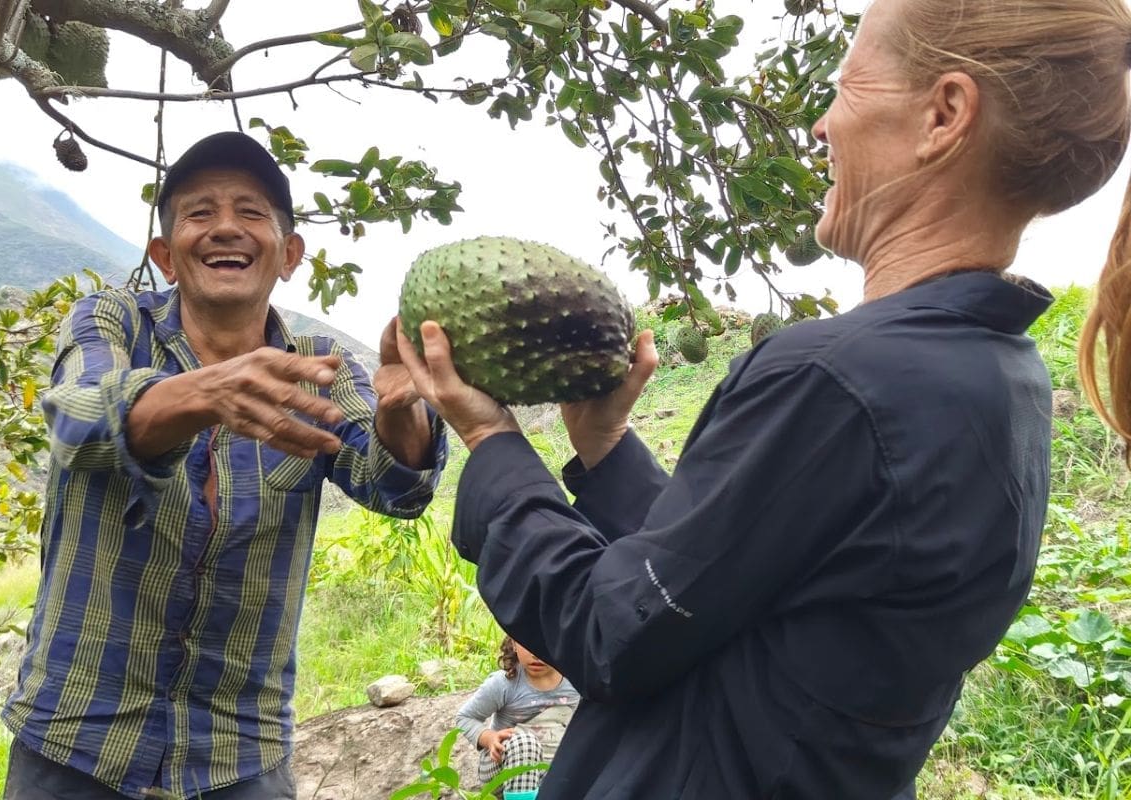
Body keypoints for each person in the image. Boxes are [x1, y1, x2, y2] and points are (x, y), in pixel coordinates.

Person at [398, 0, 1131, 796]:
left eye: (848, 88)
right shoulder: (996, 374)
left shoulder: (837, 378)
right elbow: (728, 584)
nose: (822, 125)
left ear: (944, 114)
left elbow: (612, 633)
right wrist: (605, 448)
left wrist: (492, 443)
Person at [1, 131, 448, 799]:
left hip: (239, 756)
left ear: (290, 254)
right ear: (166, 255)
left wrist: (400, 411)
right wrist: (206, 393)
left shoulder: (322, 363)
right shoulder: (112, 321)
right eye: (200, 213)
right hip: (75, 742)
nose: (225, 229)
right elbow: (81, 416)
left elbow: (395, 485)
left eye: (251, 211)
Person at [455, 635, 580, 798]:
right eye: (529, 644)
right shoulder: (505, 682)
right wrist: (489, 738)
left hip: (550, 773)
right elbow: (465, 717)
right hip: (503, 767)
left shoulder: (576, 684)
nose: (536, 654)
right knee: (526, 743)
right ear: (514, 644)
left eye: (546, 644)